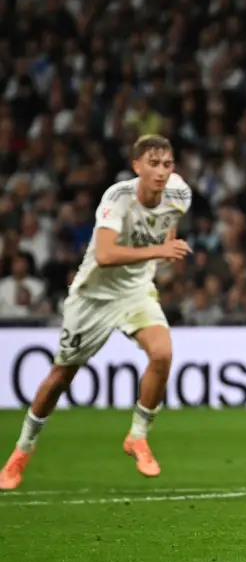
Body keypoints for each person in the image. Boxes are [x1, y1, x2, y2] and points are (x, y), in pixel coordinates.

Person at [1, 135, 193, 490]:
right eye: (153, 163)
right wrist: (158, 251)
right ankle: (21, 451)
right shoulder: (117, 198)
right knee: (60, 377)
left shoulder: (180, 193)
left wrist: (165, 250)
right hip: (94, 296)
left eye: (167, 164)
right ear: (137, 167)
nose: (162, 171)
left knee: (163, 353)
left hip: (135, 291)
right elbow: (104, 255)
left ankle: (137, 436)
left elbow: (168, 227)